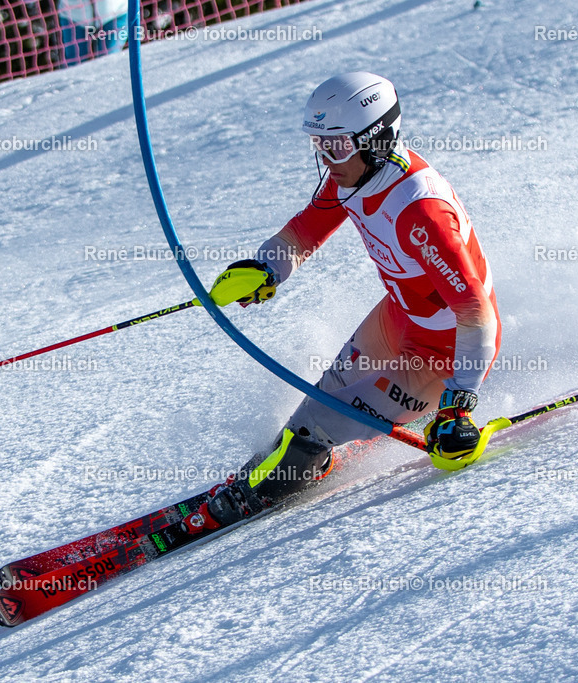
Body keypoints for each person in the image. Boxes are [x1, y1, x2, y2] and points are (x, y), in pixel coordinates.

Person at [183, 72, 501, 534]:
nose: (326, 159)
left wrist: (458, 405)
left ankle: (270, 482)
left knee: (317, 427)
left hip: (445, 348)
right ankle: (290, 460)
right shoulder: (356, 174)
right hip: (399, 315)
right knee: (319, 400)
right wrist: (267, 268)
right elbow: (309, 226)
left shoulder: (421, 212)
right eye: (319, 144)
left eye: (335, 146)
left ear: (375, 139)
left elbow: (477, 311)